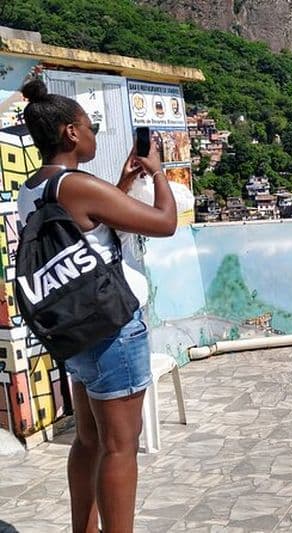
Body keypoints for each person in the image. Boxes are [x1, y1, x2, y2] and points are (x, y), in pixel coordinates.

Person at [19, 79, 176, 533]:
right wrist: (159, 172)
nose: (93, 136)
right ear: (71, 132)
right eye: (89, 128)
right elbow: (164, 222)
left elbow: (87, 222)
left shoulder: (38, 186)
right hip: (112, 329)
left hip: (76, 332)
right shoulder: (77, 184)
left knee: (88, 442)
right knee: (120, 446)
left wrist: (125, 182)